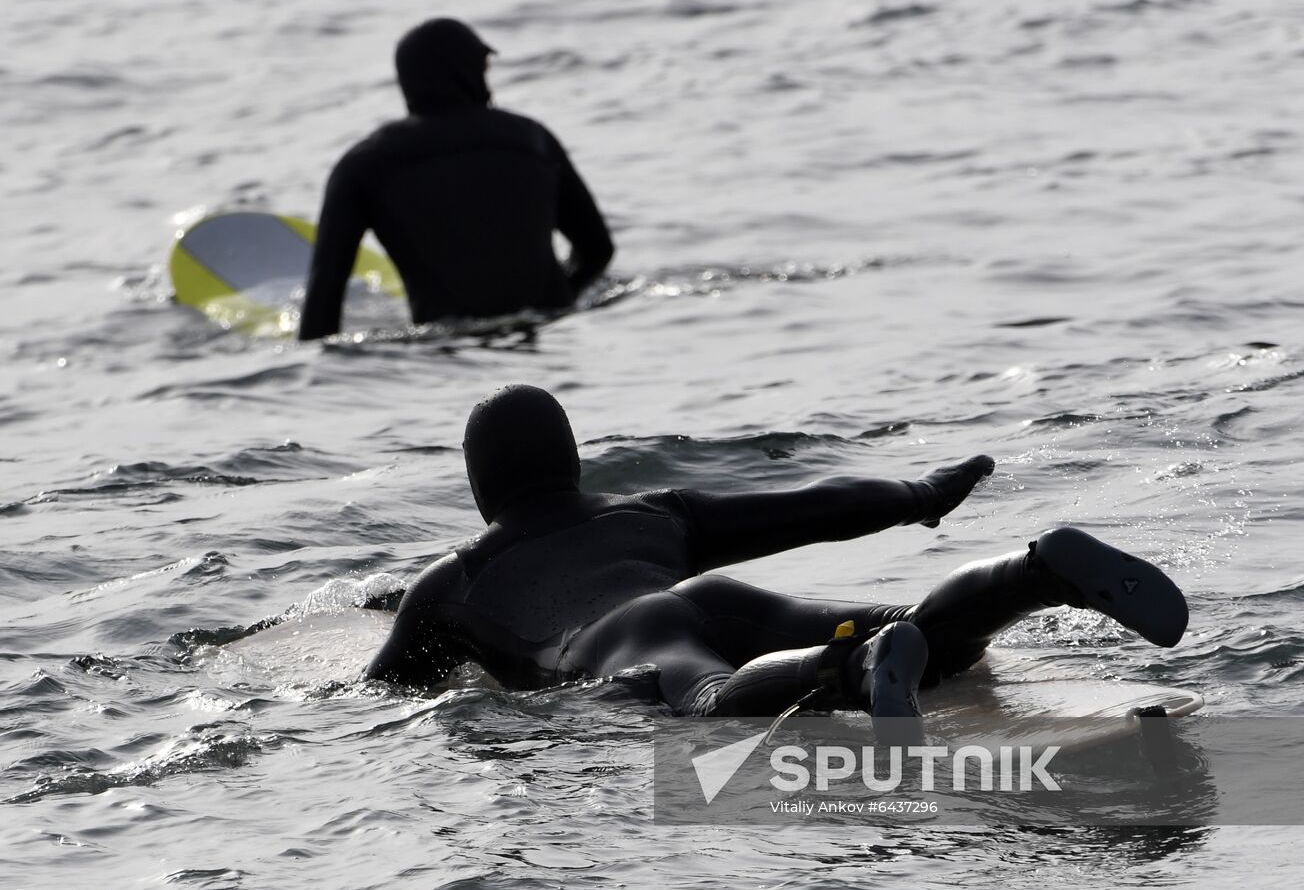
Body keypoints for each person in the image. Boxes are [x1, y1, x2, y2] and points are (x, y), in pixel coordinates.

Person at [362, 385, 1189, 721]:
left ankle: (848, 675)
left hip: (625, 642)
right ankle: (1034, 573)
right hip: (717, 597)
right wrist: (918, 499)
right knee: (911, 624)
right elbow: (810, 509)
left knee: (709, 697)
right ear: (572, 462)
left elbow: (384, 694)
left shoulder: (453, 582)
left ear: (480, 489)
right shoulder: (650, 513)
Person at [298, 18, 614, 339]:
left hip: (444, 351)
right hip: (549, 336)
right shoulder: (532, 139)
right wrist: (559, 304)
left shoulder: (364, 164)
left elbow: (326, 293)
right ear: (469, 74)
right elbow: (597, 250)